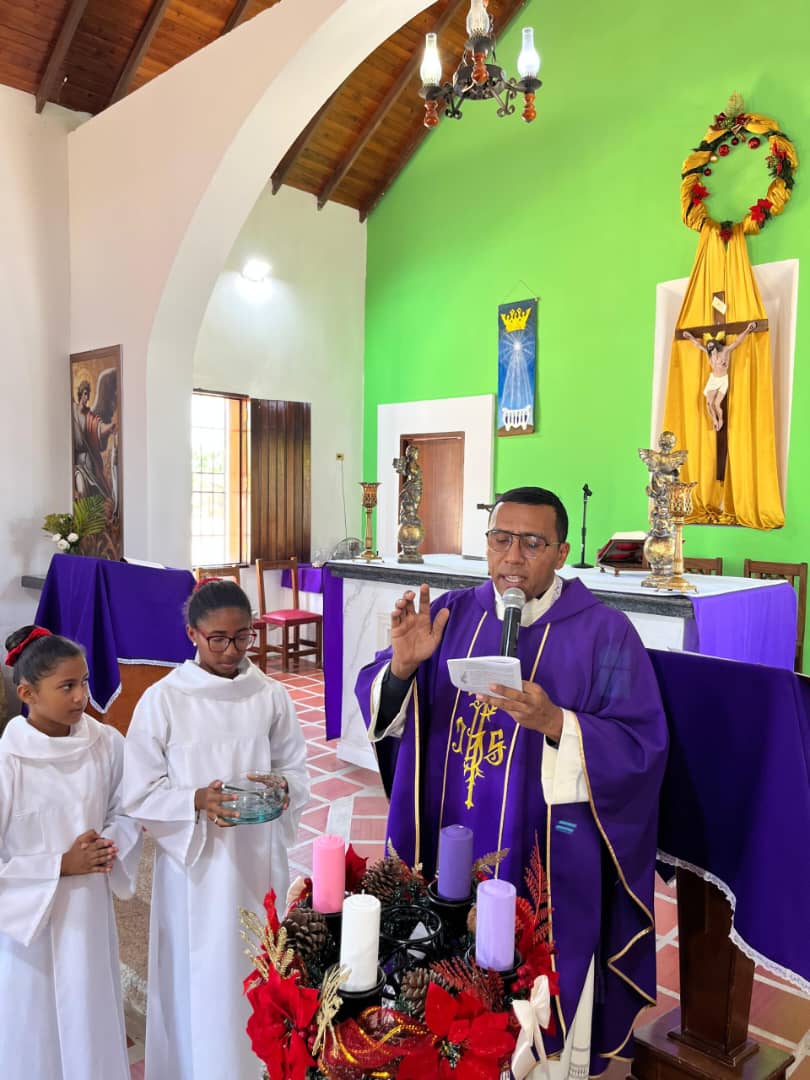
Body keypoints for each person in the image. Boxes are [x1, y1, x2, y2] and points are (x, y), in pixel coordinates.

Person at [355, 487, 669, 1077]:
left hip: (543, 852)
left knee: (533, 1014)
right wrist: (401, 667)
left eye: (532, 543)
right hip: (448, 836)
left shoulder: (605, 634)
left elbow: (640, 746)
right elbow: (385, 703)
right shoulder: (451, 612)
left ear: (562, 551)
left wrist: (558, 724)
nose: (513, 558)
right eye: (501, 539)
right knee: (436, 995)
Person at [123, 579, 310, 1080]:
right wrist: (193, 801)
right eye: (218, 640)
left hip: (257, 858)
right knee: (199, 975)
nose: (231, 651)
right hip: (196, 870)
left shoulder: (270, 696)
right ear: (193, 635)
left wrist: (283, 785)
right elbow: (136, 790)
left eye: (243, 637)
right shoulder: (163, 700)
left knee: (255, 969)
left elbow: (296, 767)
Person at [0, 626, 142, 1080]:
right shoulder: (9, 764)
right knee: (35, 1023)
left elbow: (128, 806)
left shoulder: (105, 744)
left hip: (87, 916)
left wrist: (108, 844)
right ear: (28, 693)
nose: (82, 696)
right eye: (67, 686)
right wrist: (59, 865)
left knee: (89, 1013)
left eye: (84, 681)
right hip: (29, 927)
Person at [682, 321, 757, 431]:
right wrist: (689, 337)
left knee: (717, 405)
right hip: (713, 379)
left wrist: (747, 329)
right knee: (708, 403)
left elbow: (737, 342)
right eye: (709, 347)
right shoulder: (709, 354)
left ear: (716, 345)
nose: (710, 349)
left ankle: (720, 420)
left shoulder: (725, 351)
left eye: (712, 346)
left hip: (723, 380)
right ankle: (714, 420)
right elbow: (698, 345)